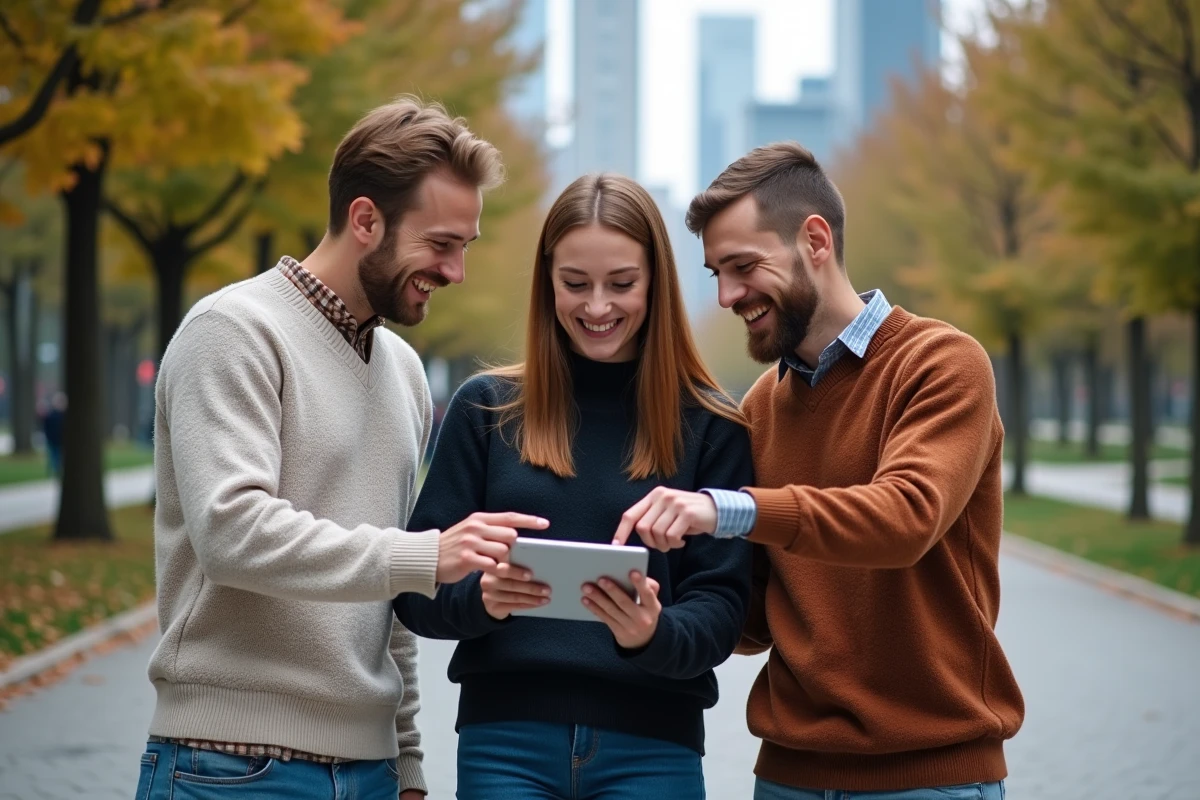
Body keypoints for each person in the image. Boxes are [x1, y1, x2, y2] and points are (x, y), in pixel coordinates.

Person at [134, 97, 548, 800]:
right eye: (441, 244)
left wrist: (409, 762)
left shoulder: (404, 372)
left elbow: (387, 593)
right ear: (365, 220)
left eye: (464, 248)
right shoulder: (233, 331)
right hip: (229, 767)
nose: (455, 272)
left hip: (370, 771)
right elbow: (230, 532)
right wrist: (424, 555)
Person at [613, 142, 1025, 800]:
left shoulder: (941, 363)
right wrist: (658, 600)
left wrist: (730, 508)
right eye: (716, 272)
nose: (727, 295)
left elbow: (906, 517)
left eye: (743, 266)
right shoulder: (759, 411)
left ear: (814, 240)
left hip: (928, 777)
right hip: (788, 776)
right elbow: (757, 619)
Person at [393, 174, 754, 800]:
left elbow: (724, 608)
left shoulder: (713, 425)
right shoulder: (486, 411)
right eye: (574, 284)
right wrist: (484, 599)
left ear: (656, 282)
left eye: (621, 284)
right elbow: (414, 591)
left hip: (653, 747)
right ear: (546, 281)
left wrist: (654, 633)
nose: (596, 307)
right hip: (504, 743)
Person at [42, 392, 66, 478]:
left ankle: (55, 471)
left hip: (56, 439)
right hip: (55, 439)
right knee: (54, 456)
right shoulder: (54, 415)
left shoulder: (52, 415)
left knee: (55, 456)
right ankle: (55, 471)